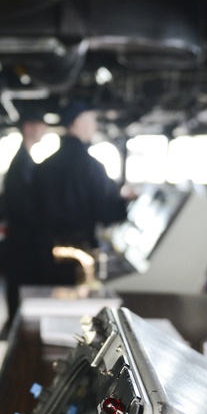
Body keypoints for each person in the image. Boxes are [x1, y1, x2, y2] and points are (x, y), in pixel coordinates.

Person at [33, 103, 128, 285]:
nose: (94, 126)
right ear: (76, 123)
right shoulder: (92, 167)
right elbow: (106, 212)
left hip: (46, 252)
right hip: (81, 254)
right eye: (91, 120)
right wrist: (126, 203)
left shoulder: (43, 167)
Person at [3, 116, 48, 323]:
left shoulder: (25, 160)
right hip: (22, 239)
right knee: (20, 287)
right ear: (28, 127)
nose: (45, 129)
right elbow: (24, 207)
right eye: (41, 125)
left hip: (22, 237)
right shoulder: (21, 164)